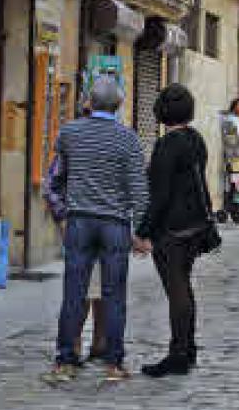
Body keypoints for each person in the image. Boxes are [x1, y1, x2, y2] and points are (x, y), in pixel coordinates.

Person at [44, 77, 150, 383]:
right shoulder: (128, 139)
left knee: (73, 293)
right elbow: (138, 189)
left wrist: (63, 214)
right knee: (114, 295)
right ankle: (114, 365)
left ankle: (65, 361)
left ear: (89, 102)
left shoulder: (69, 133)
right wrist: (142, 231)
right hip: (114, 224)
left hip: (79, 221)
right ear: (119, 104)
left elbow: (58, 179)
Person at [137, 84, 211, 378]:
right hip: (195, 225)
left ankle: (179, 352)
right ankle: (187, 347)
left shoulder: (167, 145)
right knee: (184, 287)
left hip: (173, 228)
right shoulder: (196, 140)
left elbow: (160, 195)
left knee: (177, 289)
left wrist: (143, 231)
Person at [43, 152, 106, 364]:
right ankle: (75, 343)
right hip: (82, 222)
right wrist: (62, 217)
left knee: (102, 285)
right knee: (85, 285)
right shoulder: (73, 143)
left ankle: (99, 343)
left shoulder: (118, 139)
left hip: (108, 223)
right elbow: (51, 185)